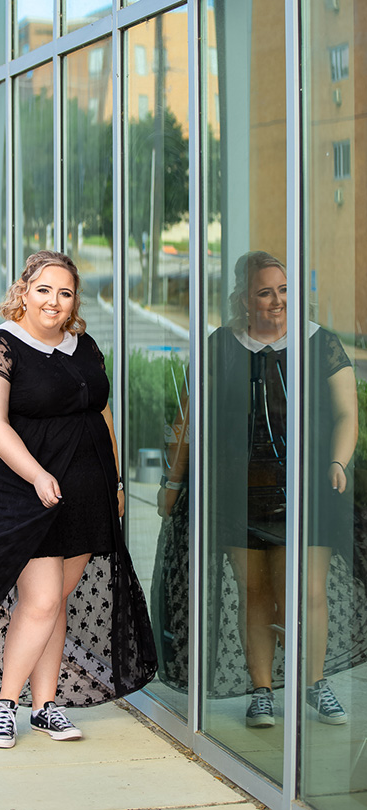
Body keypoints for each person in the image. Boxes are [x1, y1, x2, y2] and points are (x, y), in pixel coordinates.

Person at [0, 250, 157, 748]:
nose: (53, 301)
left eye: (64, 292)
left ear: (74, 302)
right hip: (25, 488)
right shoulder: (0, 348)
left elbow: (103, 415)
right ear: (23, 291)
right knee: (42, 598)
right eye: (44, 289)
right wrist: (37, 475)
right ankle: (5, 705)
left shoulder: (85, 346)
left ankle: (46, 706)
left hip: (88, 488)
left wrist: (114, 484)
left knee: (54, 601)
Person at [157, 251, 359, 726]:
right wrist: (173, 481)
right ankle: (262, 690)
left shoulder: (319, 342)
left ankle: (313, 683)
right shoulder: (221, 345)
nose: (277, 300)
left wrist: (337, 461)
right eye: (265, 292)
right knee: (256, 593)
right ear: (245, 299)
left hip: (307, 489)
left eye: (284, 290)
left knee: (307, 592)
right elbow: (189, 419)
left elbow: (349, 412)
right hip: (236, 491)